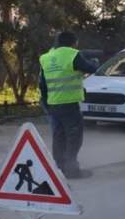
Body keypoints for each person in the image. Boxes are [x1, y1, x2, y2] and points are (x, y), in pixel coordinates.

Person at [38, 31, 97, 179]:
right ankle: (72, 170)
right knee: (74, 137)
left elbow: (42, 84)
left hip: (53, 104)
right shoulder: (72, 54)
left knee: (59, 137)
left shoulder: (46, 57)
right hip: (69, 104)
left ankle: (59, 169)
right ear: (74, 42)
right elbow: (92, 69)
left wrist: (46, 104)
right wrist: (96, 61)